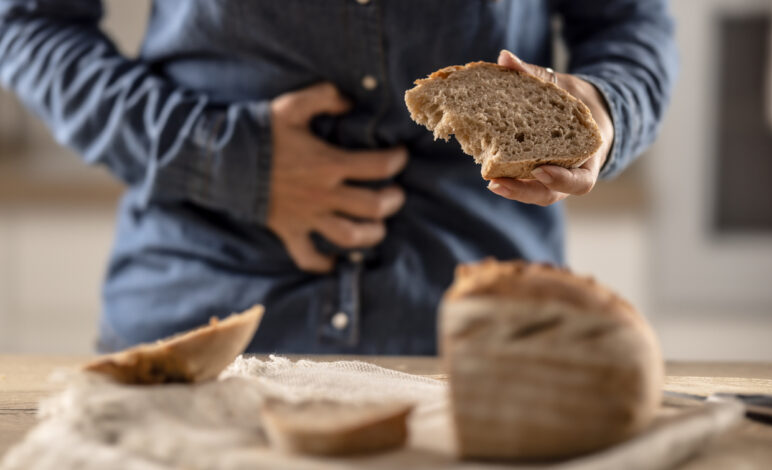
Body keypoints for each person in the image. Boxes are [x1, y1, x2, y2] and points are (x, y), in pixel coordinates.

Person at [0, 1, 676, 354]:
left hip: (488, 340)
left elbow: (630, 20)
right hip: (200, 315)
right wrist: (223, 158)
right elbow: (29, 25)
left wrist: (606, 110)